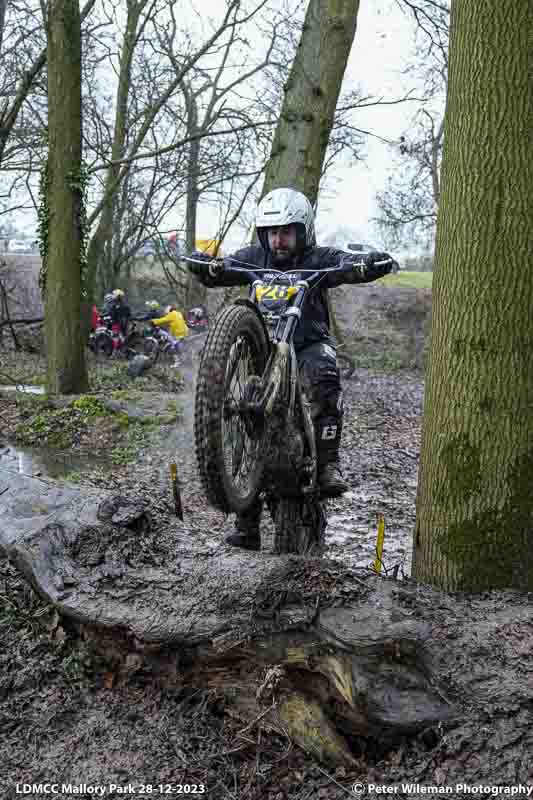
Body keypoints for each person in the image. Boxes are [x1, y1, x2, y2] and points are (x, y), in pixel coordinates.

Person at [188, 186, 393, 551]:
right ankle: (245, 521)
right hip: (263, 348)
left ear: (303, 232)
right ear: (262, 233)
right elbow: (221, 269)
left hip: (308, 343)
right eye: (272, 232)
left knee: (326, 373)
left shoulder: (317, 258)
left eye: (286, 231)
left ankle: (328, 463)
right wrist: (205, 266)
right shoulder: (254, 257)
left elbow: (347, 263)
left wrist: (365, 264)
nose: (278, 240)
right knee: (249, 421)